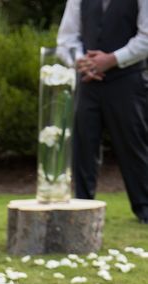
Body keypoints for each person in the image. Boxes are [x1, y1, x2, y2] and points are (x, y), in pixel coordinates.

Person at [57, 0, 148, 223]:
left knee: (133, 145)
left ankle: (144, 207)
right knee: (83, 148)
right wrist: (82, 62)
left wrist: (112, 59)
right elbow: (65, 40)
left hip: (127, 81)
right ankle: (81, 208)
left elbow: (146, 38)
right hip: (88, 82)